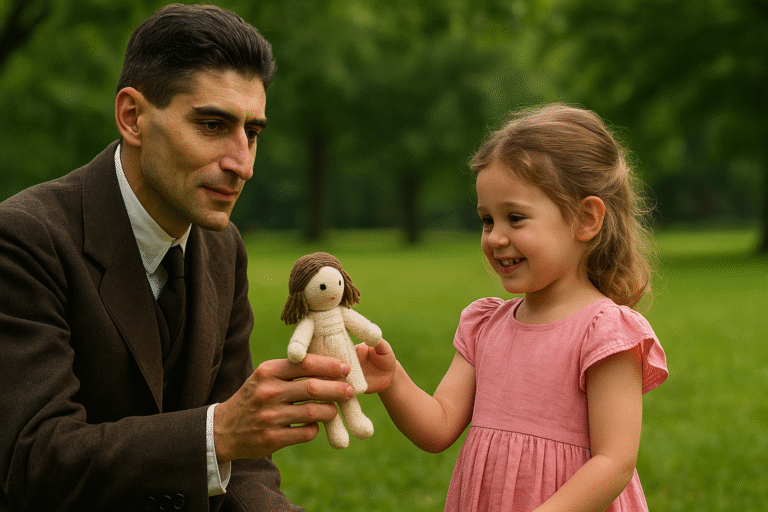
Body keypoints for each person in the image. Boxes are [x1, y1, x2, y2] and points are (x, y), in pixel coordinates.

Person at [0, 4, 355, 511]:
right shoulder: (24, 239)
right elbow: (33, 462)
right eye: (212, 125)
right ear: (133, 117)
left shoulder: (223, 246)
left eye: (251, 133)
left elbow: (248, 468)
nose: (242, 164)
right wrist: (216, 435)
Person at [359, 104, 669, 511]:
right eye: (487, 220)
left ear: (585, 219)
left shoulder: (605, 332)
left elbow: (614, 463)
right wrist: (392, 380)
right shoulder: (485, 325)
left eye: (515, 218)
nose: (495, 238)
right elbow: (438, 426)